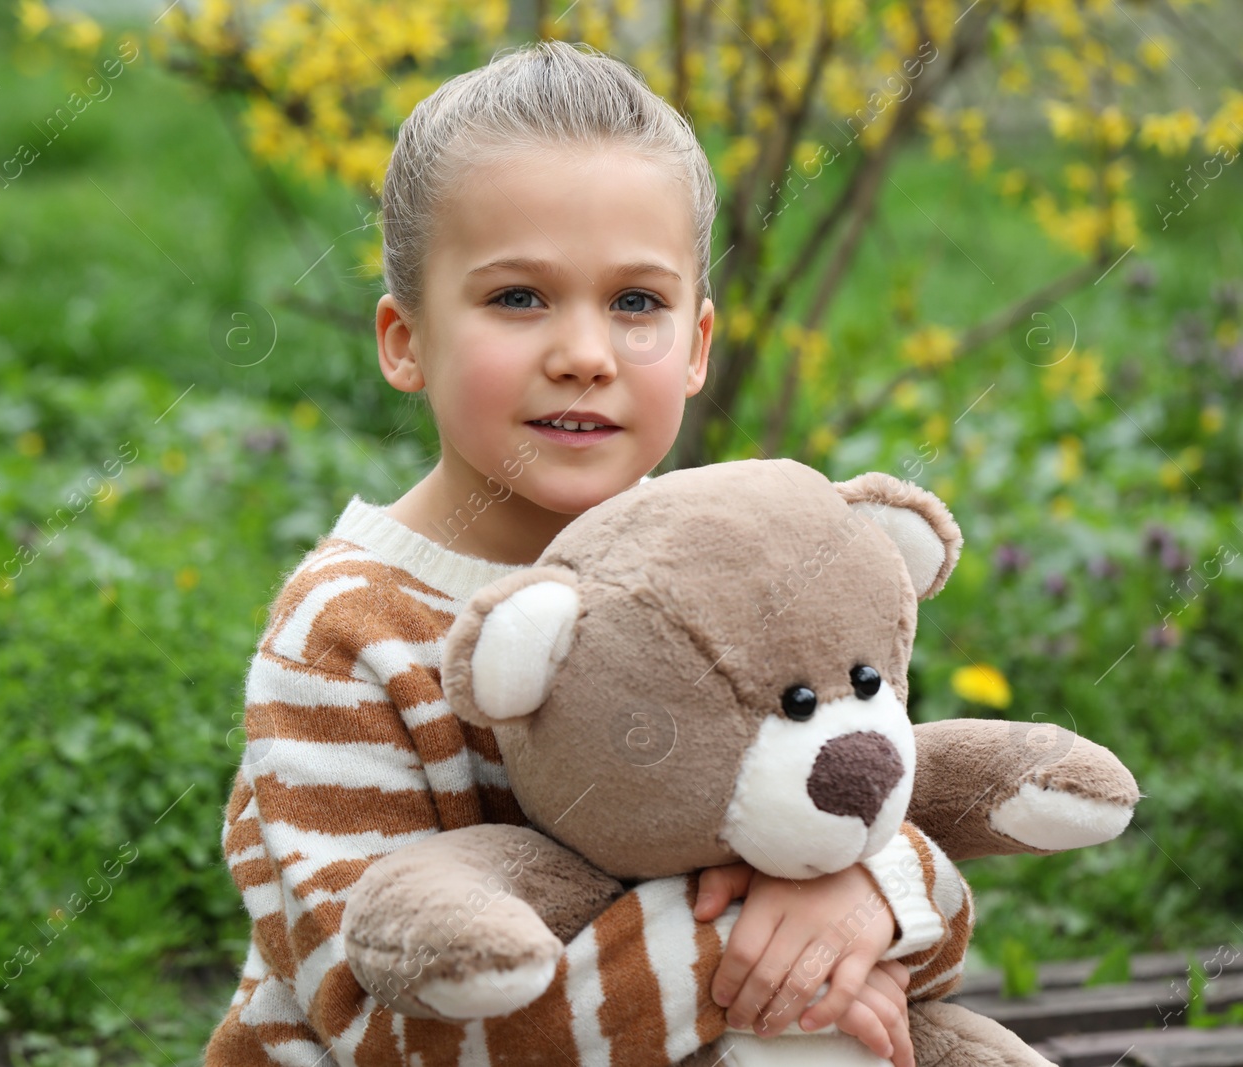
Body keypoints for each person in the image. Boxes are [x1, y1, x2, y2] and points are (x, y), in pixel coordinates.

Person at [203, 38, 971, 1067]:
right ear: (404, 338)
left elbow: (887, 833)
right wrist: (747, 953)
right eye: (517, 297)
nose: (583, 353)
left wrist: (862, 894)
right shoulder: (347, 632)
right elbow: (381, 1020)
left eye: (636, 303)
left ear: (697, 345)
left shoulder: (730, 563)